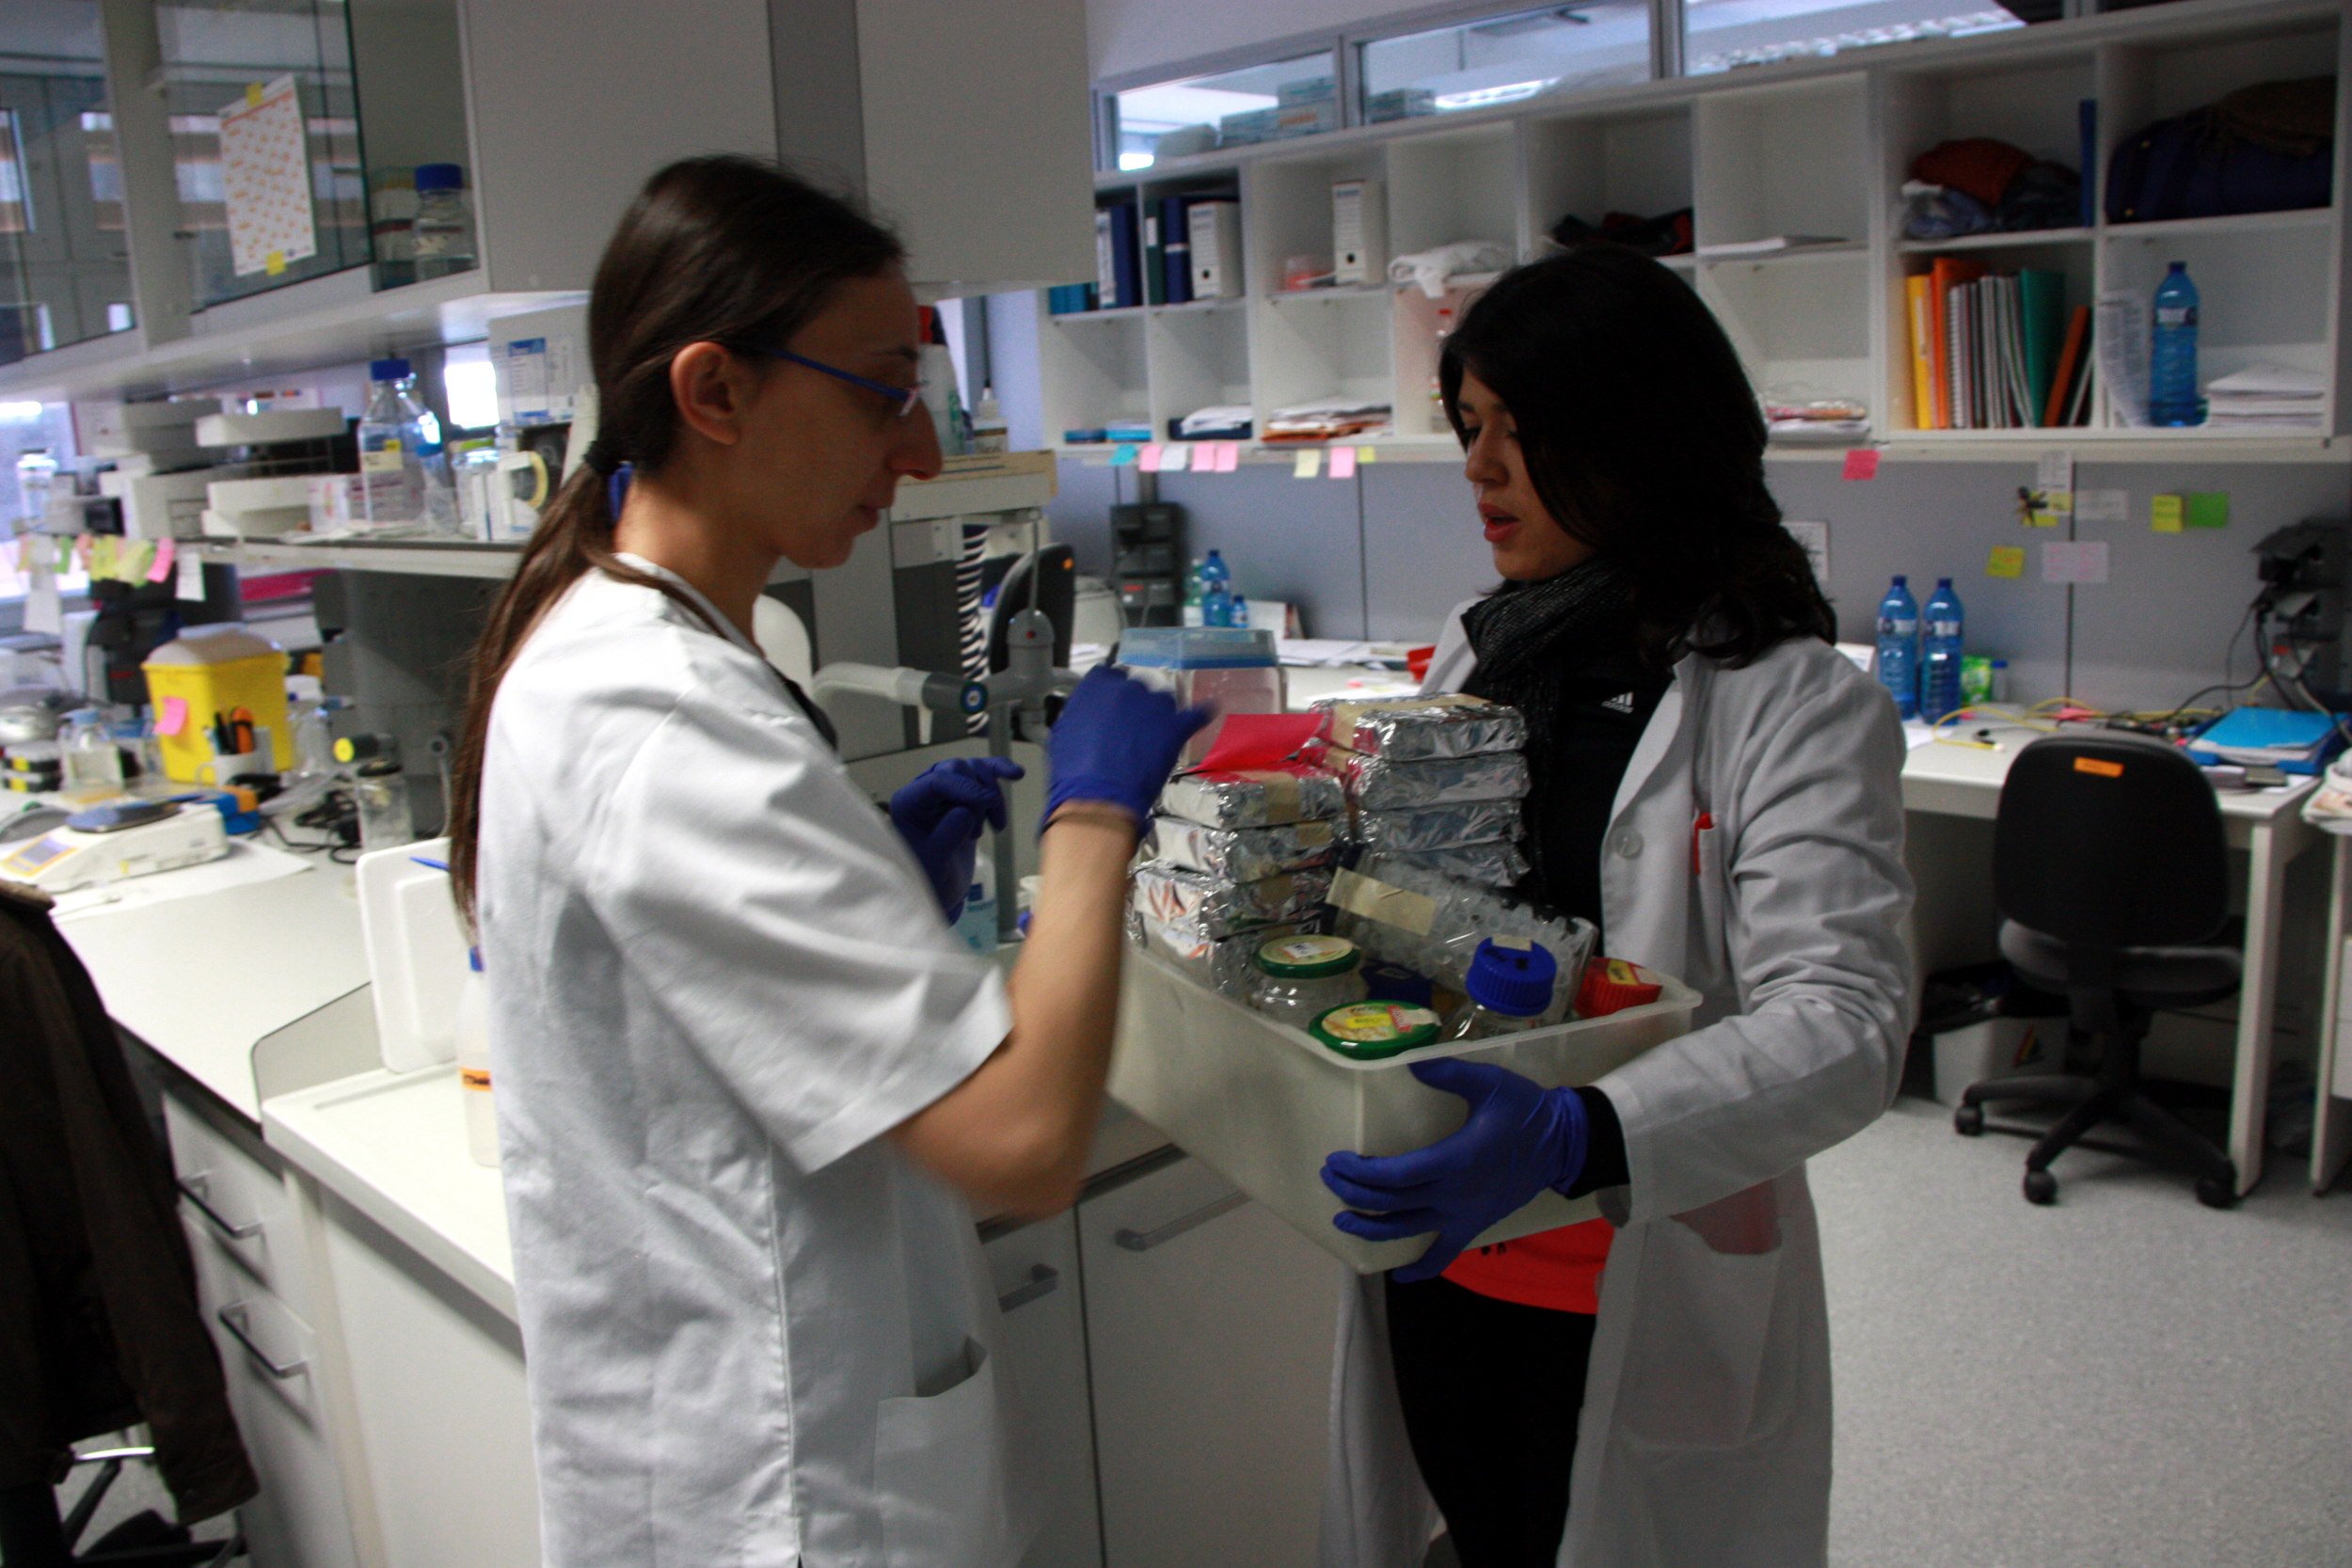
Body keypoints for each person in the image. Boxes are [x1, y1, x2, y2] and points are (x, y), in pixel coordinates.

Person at [442, 156, 1203, 1568]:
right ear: (714, 391)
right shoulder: (659, 713)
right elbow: (1024, 1143)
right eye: (878, 389)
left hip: (766, 1430)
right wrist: (1091, 815)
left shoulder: (638, 645)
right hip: (780, 1489)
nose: (917, 452)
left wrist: (870, 905)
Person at [1317, 245, 1915, 1568]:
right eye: (1471, 428)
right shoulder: (1487, 646)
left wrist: (1577, 1134)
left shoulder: (1793, 700)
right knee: (1473, 1531)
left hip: (1630, 1253)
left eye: (1521, 435)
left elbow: (1850, 1021)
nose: (1479, 469)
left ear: (1637, 439)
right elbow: (1416, 904)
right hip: (1445, 1247)